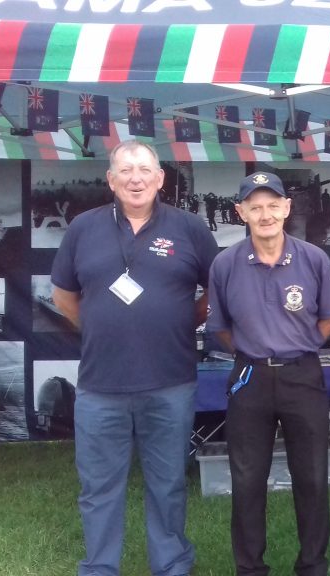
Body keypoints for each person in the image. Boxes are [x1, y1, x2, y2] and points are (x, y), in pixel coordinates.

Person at [51, 139, 219, 576]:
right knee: (99, 487)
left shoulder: (190, 229)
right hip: (100, 386)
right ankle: (100, 567)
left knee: (167, 485)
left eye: (144, 169)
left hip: (170, 383)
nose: (135, 178)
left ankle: (171, 566)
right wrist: (99, 326)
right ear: (110, 180)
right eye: (124, 170)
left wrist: (183, 318)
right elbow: (64, 296)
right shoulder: (83, 229)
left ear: (161, 178)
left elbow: (216, 291)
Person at [206, 172, 330, 576]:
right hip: (250, 378)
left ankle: (313, 564)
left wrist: (294, 348)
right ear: (241, 212)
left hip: (303, 375)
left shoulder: (314, 259)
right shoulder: (225, 263)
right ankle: (250, 568)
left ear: (287, 207)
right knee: (247, 480)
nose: (265, 214)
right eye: (255, 206)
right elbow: (222, 328)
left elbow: (328, 320)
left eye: (272, 205)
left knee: (313, 476)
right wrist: (255, 353)